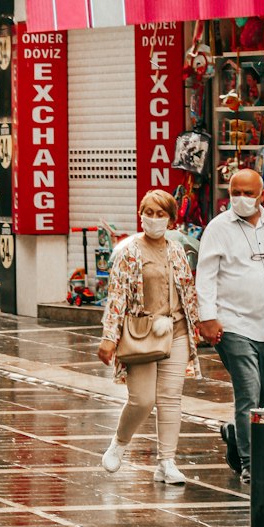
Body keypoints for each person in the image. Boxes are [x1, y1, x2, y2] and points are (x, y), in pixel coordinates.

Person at [195, 168, 264, 486]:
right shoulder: (218, 228)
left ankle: (234, 431)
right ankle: (248, 460)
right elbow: (206, 274)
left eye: (248, 193)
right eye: (235, 193)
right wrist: (207, 317)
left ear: (262, 195)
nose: (241, 199)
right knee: (248, 391)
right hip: (233, 324)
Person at [97, 190, 201, 485]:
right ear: (139, 214)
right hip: (140, 332)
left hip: (176, 331)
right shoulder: (128, 251)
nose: (154, 219)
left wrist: (198, 325)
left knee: (170, 399)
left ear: (171, 219)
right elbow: (116, 296)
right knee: (142, 399)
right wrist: (109, 338)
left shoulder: (177, 250)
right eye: (149, 213)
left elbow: (188, 291)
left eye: (160, 214)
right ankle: (119, 442)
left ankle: (166, 462)